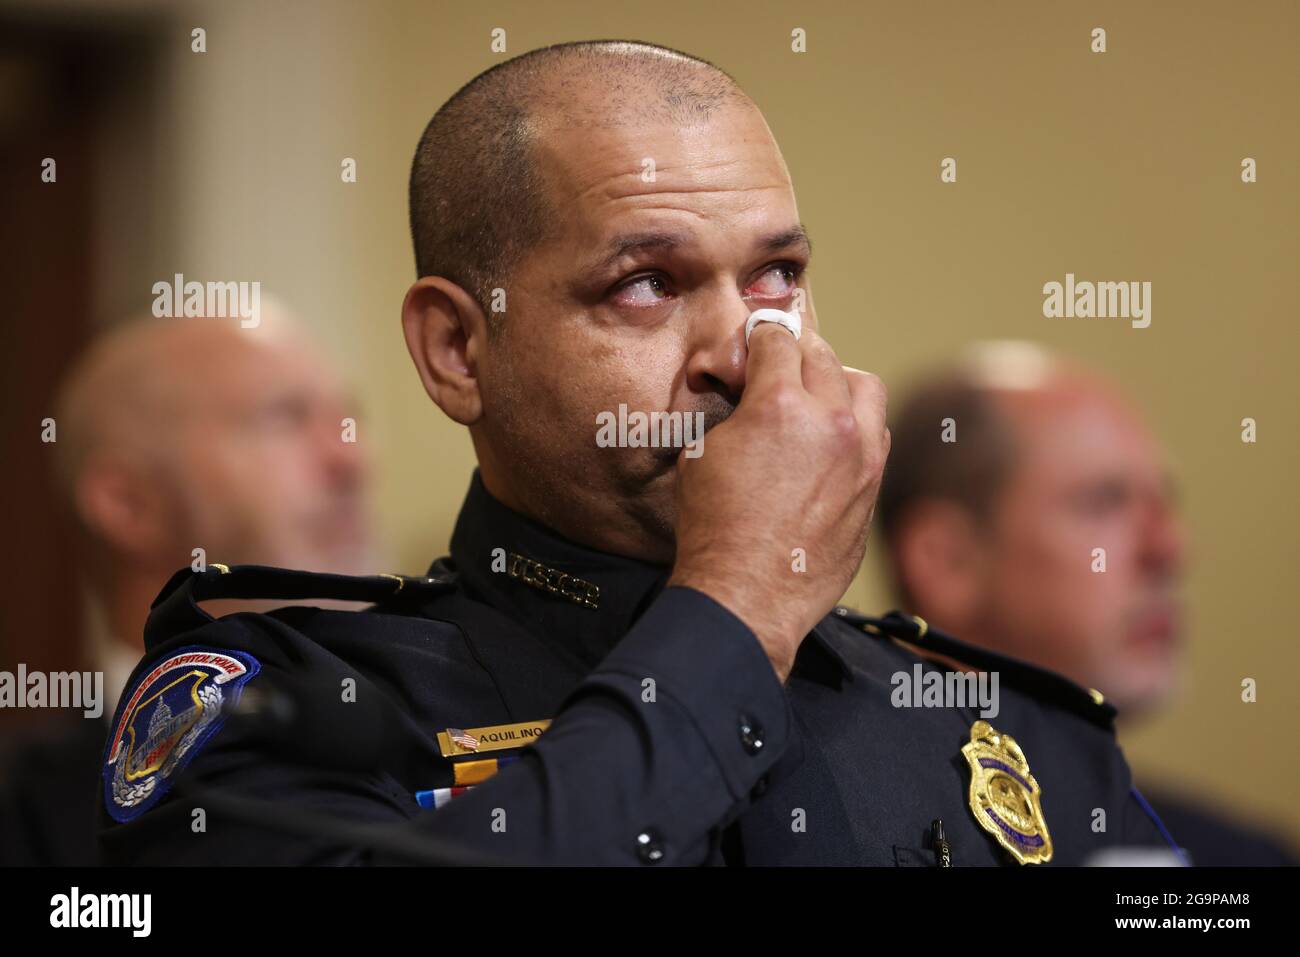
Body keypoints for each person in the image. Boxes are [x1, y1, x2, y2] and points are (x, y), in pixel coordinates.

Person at [100, 40, 1177, 866]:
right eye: (646, 285)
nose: (738, 351)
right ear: (457, 349)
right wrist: (742, 605)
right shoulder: (283, 709)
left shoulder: (1006, 727)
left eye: (777, 279)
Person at [877, 340, 1295, 865]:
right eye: (1104, 502)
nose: (1168, 549)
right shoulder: (825, 828)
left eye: (1164, 501)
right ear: (948, 559)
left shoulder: (1237, 861)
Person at [0, 311, 376, 865]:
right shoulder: (18, 815)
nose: (351, 459)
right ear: (130, 505)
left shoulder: (467, 739)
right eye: (283, 418)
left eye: (348, 418)